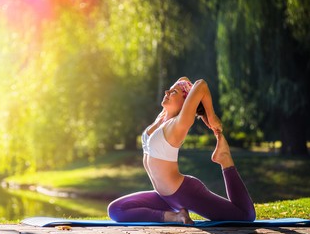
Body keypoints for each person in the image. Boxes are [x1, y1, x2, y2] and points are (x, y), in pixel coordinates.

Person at [107, 77, 256, 224]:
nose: (167, 92)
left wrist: (210, 116)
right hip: (165, 197)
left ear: (185, 104)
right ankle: (176, 216)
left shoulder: (179, 124)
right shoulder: (163, 117)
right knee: (116, 210)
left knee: (245, 215)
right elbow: (183, 80)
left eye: (173, 92)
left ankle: (225, 160)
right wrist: (178, 90)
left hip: (184, 193)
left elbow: (201, 85)